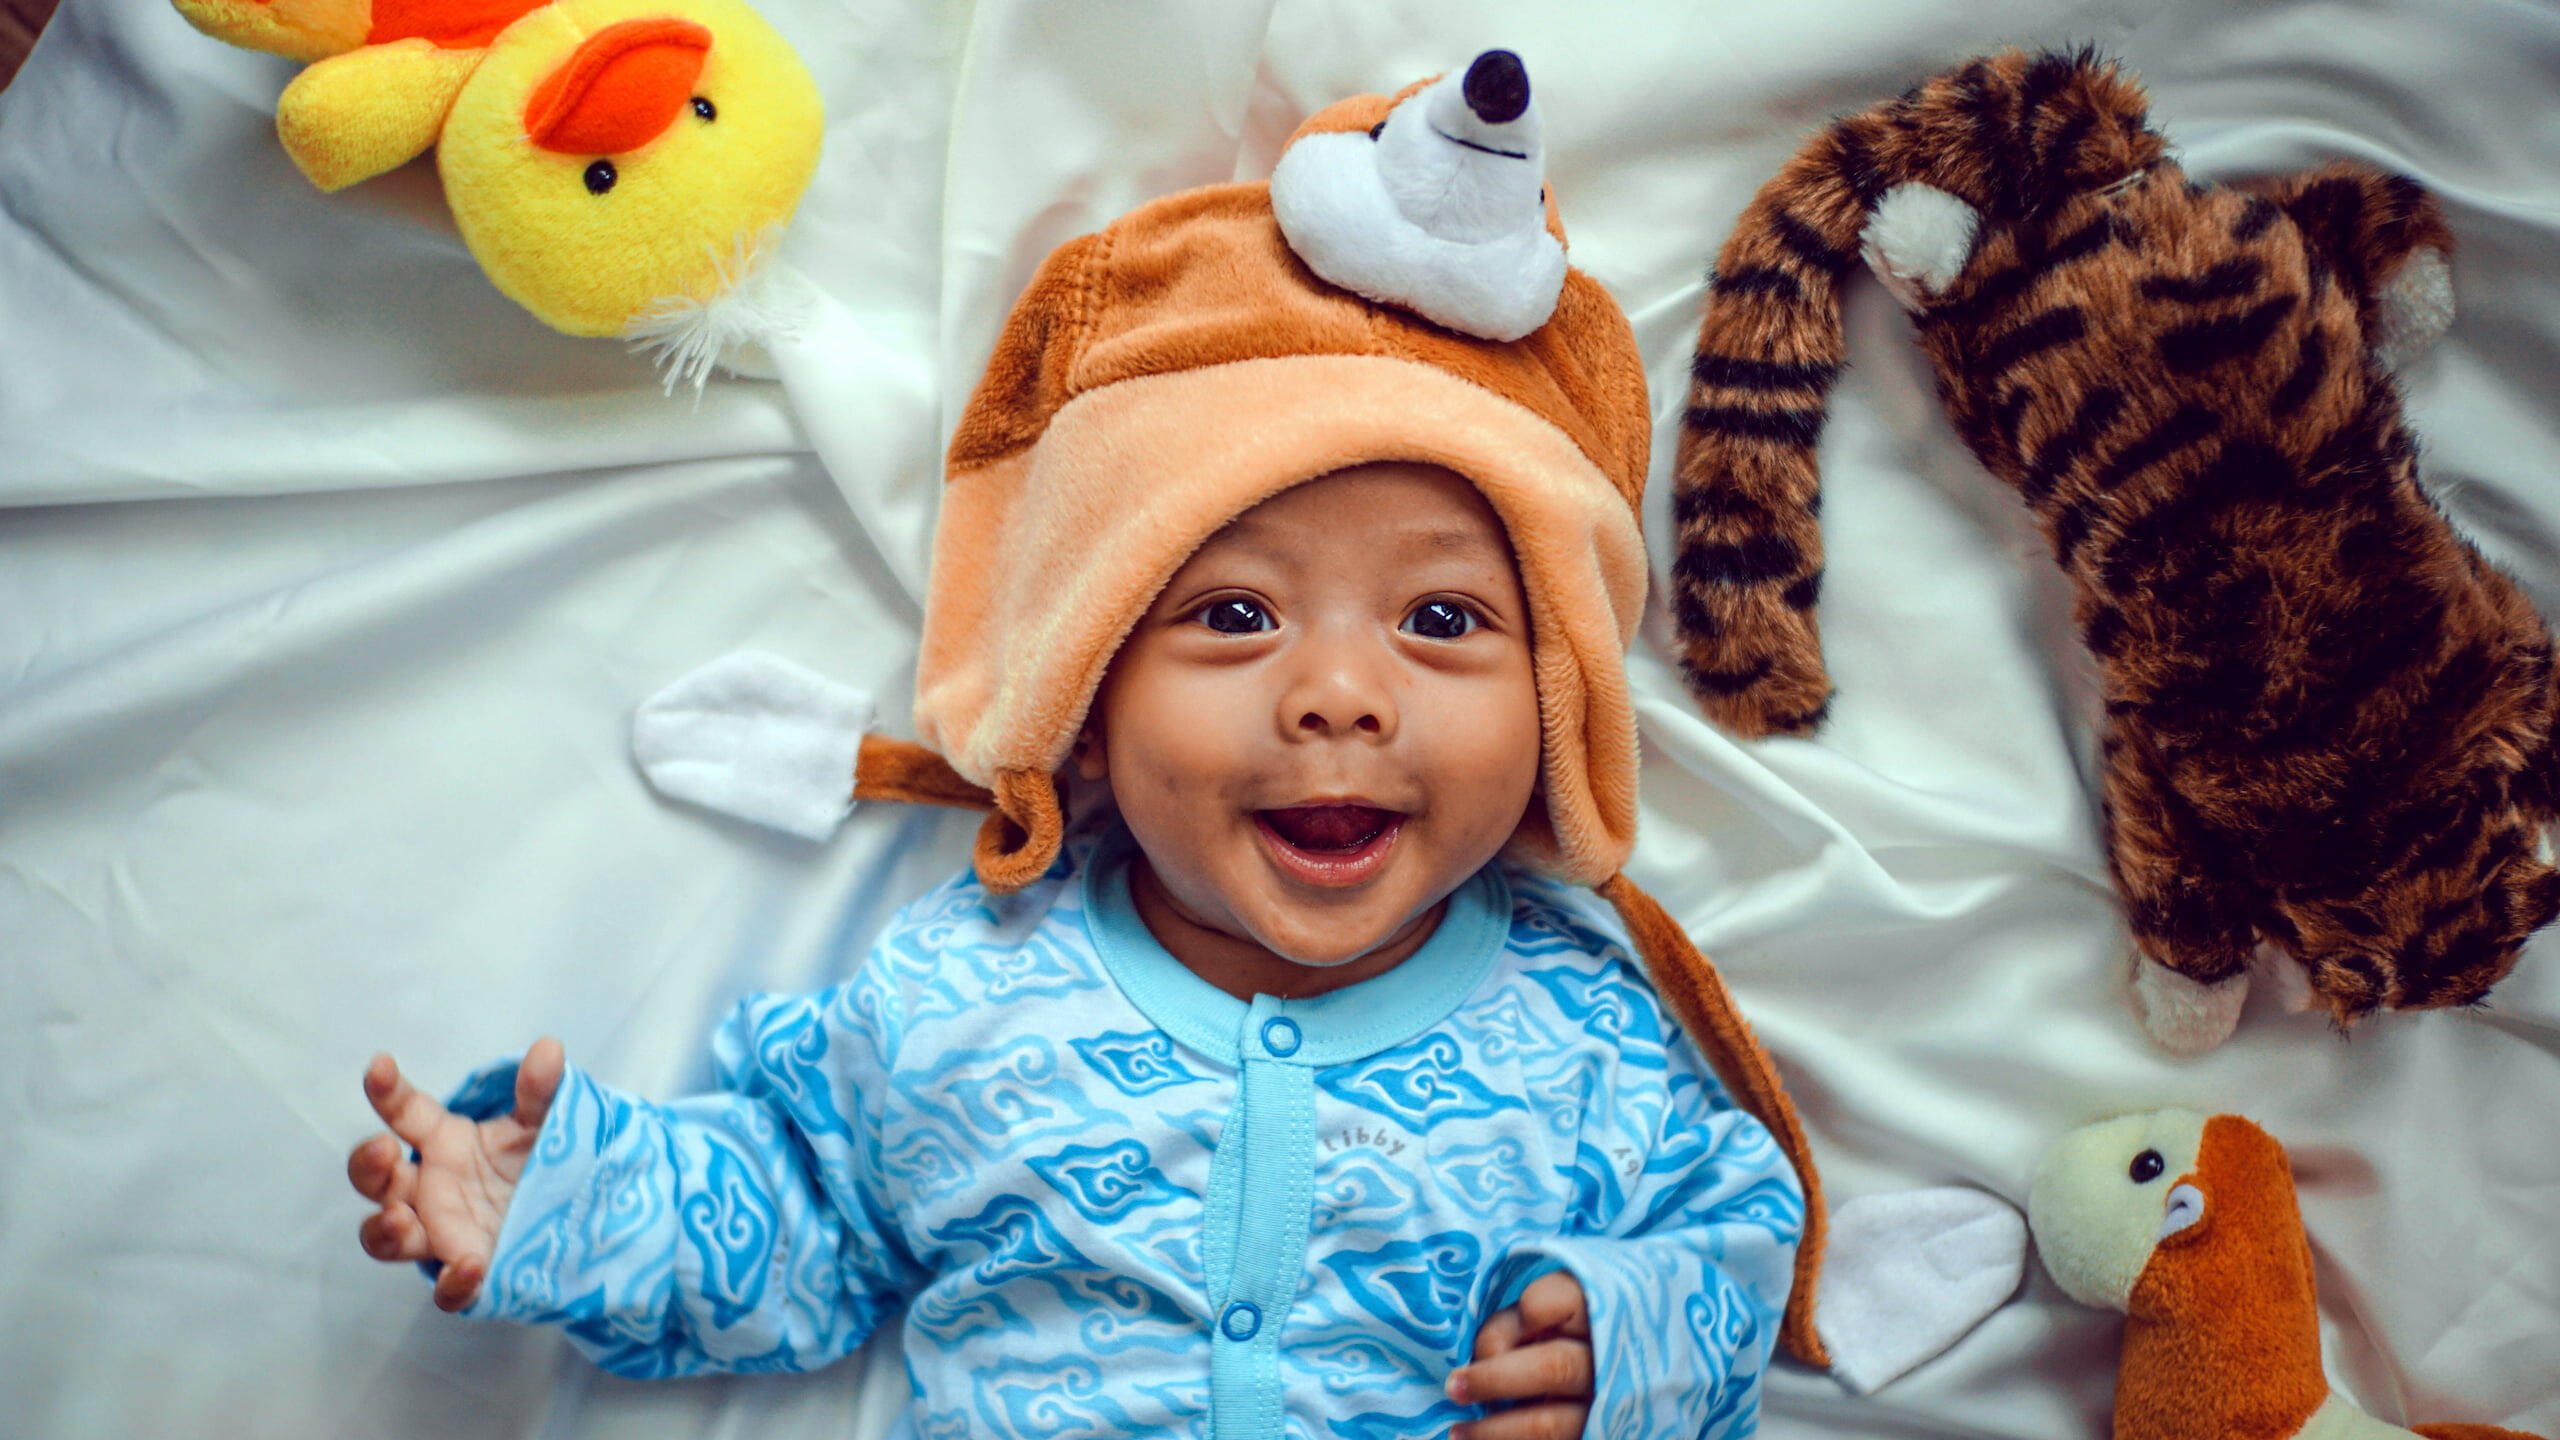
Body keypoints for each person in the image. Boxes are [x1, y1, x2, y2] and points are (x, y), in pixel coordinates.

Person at [346, 59, 1837, 1440]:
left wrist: (1627, 1347)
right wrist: (566, 1204)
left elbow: (1729, 1238)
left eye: (1442, 618)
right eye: (1235, 615)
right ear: (1089, 694)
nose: (1339, 696)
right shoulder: (963, 991)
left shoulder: (1587, 1032)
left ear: (1560, 700)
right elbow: (806, 1220)